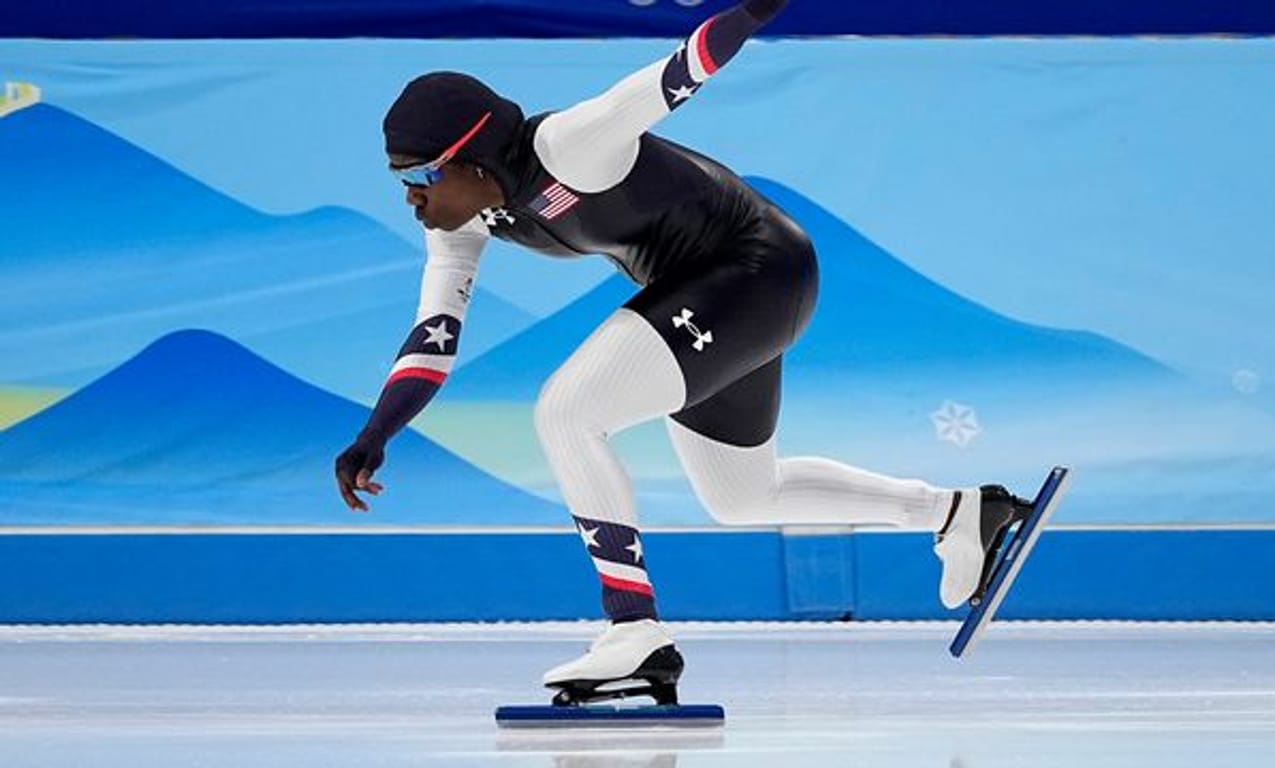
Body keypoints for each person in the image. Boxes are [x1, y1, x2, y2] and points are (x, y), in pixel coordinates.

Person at [335, 0, 1032, 705]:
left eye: (422, 177)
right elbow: (434, 337)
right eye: (403, 182)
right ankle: (959, 512)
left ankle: (633, 630)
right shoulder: (465, 222)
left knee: (566, 413)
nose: (411, 199)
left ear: (474, 158)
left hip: (755, 267)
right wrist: (375, 433)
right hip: (719, 294)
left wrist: (757, 8)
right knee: (741, 495)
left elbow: (673, 75)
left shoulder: (568, 148)